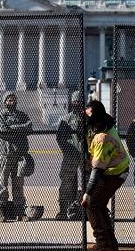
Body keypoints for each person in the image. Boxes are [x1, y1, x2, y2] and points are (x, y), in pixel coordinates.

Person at [81, 100, 129, 251]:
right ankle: (110, 243)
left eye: (89, 117)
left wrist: (87, 193)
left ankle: (103, 244)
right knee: (99, 204)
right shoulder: (102, 123)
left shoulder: (102, 137)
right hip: (110, 170)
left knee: (91, 204)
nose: (87, 120)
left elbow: (97, 170)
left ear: (96, 117)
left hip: (115, 172)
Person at [0, 91, 33, 221]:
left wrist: (11, 129)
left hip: (19, 155)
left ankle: (20, 212)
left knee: (18, 185)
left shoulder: (22, 115)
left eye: (13, 99)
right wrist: (20, 129)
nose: (12, 102)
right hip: (4, 154)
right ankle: (1, 211)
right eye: (9, 100)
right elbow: (2, 131)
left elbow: (30, 127)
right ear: (4, 102)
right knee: (1, 184)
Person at [56, 90, 84, 219]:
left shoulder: (90, 118)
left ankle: (86, 210)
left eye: (79, 101)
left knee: (89, 183)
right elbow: (60, 138)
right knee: (66, 182)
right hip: (71, 155)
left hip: (85, 156)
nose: (77, 103)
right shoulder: (67, 119)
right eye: (75, 101)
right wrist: (67, 150)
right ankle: (63, 210)